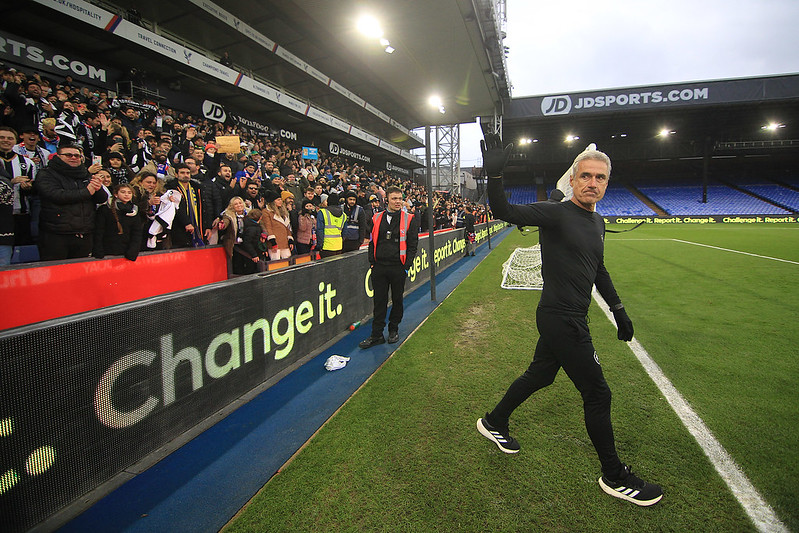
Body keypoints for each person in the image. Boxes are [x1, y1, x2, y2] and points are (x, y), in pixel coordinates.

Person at [475, 133, 662, 507]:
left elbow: (599, 269)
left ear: (607, 184)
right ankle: (614, 475)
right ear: (573, 180)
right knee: (598, 392)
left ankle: (495, 421)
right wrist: (494, 179)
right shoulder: (555, 211)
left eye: (600, 178)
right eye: (586, 176)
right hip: (561, 318)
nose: (593, 183)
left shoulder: (597, 222)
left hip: (573, 315)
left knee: (541, 375)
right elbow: (505, 212)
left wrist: (618, 309)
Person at [359, 186, 419, 348]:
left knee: (397, 299)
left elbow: (413, 245)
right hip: (379, 267)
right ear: (387, 200)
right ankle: (376, 335)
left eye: (400, 199)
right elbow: (372, 242)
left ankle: (393, 330)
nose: (398, 202)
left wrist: (406, 266)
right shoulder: (376, 217)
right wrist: (372, 262)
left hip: (398, 267)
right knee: (379, 302)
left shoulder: (410, 218)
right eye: (394, 198)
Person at [36, 143, 108, 260]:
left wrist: (98, 189)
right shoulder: (46, 174)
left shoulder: (85, 174)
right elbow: (55, 195)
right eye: (69, 155)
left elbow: (102, 199)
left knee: (80, 273)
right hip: (57, 234)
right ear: (58, 156)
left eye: (77, 156)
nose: (74, 158)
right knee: (56, 272)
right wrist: (87, 192)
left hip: (84, 232)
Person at [93, 183, 143, 261]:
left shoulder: (134, 211)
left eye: (129, 193)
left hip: (126, 252)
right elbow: (99, 231)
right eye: (123, 192)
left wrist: (132, 251)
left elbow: (137, 233)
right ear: (116, 194)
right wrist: (99, 251)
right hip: (107, 251)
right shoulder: (105, 209)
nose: (126, 195)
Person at [259, 190, 293, 260]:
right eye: (278, 200)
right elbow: (268, 227)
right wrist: (273, 242)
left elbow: (287, 227)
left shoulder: (283, 212)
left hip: (284, 242)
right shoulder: (266, 212)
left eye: (280, 199)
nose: (280, 201)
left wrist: (290, 239)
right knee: (276, 263)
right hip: (275, 243)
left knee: (288, 262)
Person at [315, 192, 346, 258]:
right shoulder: (343, 215)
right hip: (339, 246)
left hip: (326, 247)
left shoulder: (322, 212)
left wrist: (319, 245)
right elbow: (344, 232)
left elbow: (320, 230)